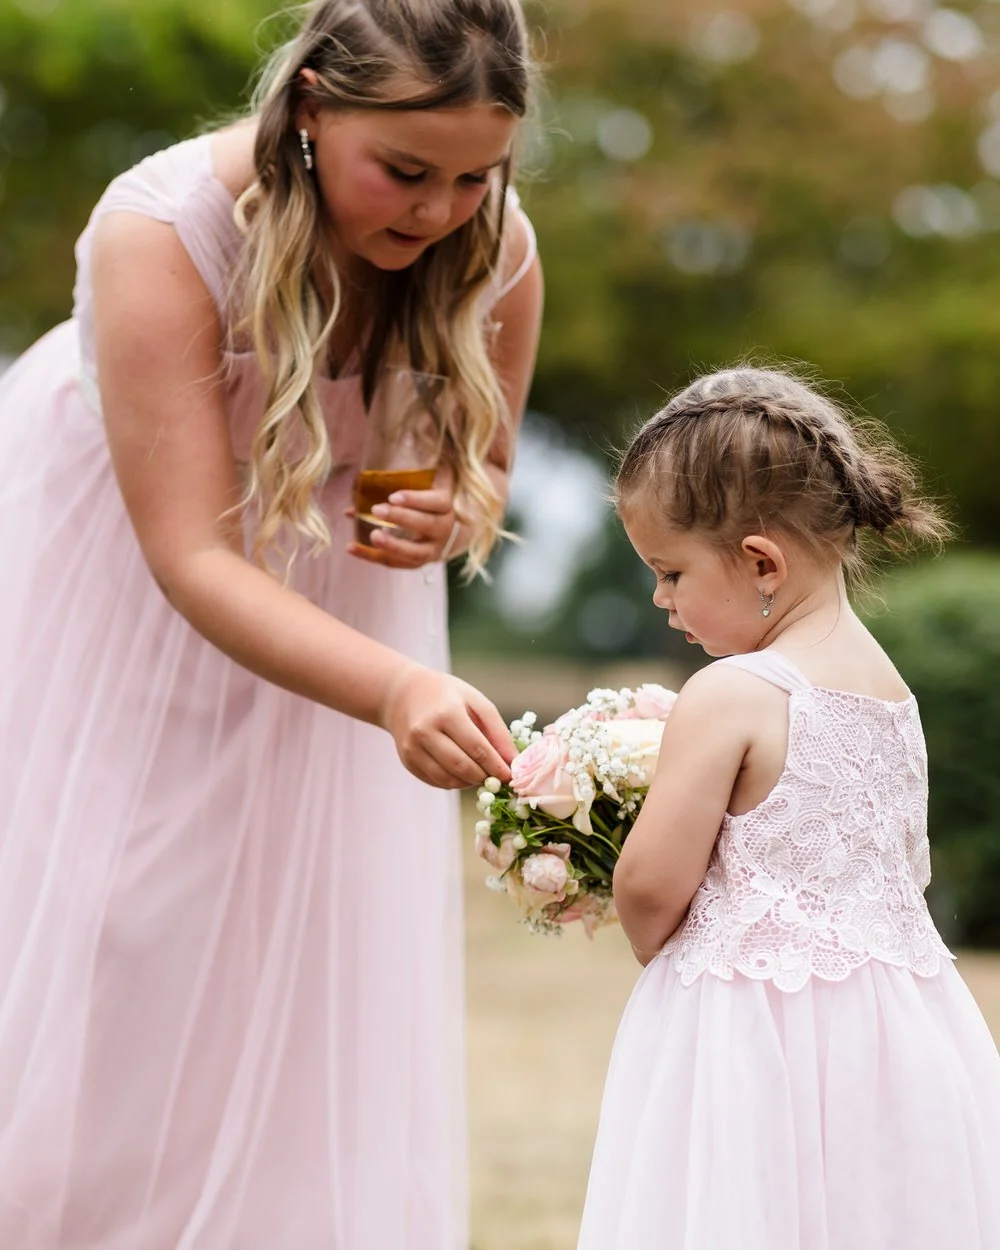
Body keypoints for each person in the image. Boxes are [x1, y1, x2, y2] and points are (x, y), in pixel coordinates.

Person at [0, 0, 543, 1245]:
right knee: (120, 930)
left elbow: (490, 467)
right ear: (308, 106)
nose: (438, 212)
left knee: (298, 971)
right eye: (403, 172)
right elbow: (190, 549)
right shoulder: (158, 235)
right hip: (119, 602)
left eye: (475, 176)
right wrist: (397, 689)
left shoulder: (495, 245)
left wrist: (457, 507)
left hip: (341, 600)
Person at [577, 367, 1000, 1249]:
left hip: (753, 1044)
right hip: (902, 1040)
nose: (662, 600)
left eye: (670, 572)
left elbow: (651, 896)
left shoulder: (733, 690)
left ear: (762, 562)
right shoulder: (893, 693)